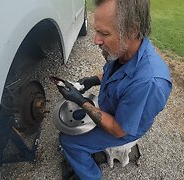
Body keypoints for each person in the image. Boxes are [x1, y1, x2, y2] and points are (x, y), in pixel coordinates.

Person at [56, 0, 172, 179]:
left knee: (68, 141)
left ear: (132, 30)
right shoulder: (124, 51)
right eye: (96, 30)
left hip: (122, 127)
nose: (95, 40)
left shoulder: (149, 82)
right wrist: (92, 80)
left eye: (104, 33)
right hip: (112, 108)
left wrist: (81, 100)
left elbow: (119, 129)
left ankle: (91, 176)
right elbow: (117, 75)